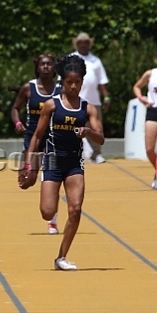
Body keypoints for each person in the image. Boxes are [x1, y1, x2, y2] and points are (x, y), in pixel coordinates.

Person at [20, 54, 104, 270]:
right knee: (47, 212)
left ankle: (61, 257)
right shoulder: (51, 105)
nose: (73, 86)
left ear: (82, 82)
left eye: (77, 82)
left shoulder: (88, 109)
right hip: (53, 161)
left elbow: (101, 138)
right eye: (69, 82)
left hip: (75, 163)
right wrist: (28, 165)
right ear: (62, 82)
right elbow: (37, 137)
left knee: (75, 209)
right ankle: (52, 189)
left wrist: (88, 132)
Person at [11, 54, 61, 234]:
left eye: (49, 64)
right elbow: (15, 108)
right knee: (26, 182)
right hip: (33, 136)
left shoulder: (61, 89)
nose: (46, 67)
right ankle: (33, 168)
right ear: (38, 67)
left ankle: (53, 221)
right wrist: (17, 123)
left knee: (51, 179)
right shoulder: (28, 88)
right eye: (43, 64)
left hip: (53, 138)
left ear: (54, 67)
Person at [132, 49, 157, 190]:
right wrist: (142, 98)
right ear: (156, 60)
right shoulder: (150, 74)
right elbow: (137, 87)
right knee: (149, 149)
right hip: (152, 110)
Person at [72, 32, 110, 163]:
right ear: (77, 44)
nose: (83, 45)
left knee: (96, 127)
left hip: (93, 100)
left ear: (89, 44)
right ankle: (74, 154)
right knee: (72, 126)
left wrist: (106, 97)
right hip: (75, 100)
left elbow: (102, 81)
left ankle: (97, 154)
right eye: (81, 43)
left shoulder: (96, 60)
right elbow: (62, 80)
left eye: (86, 43)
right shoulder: (71, 58)